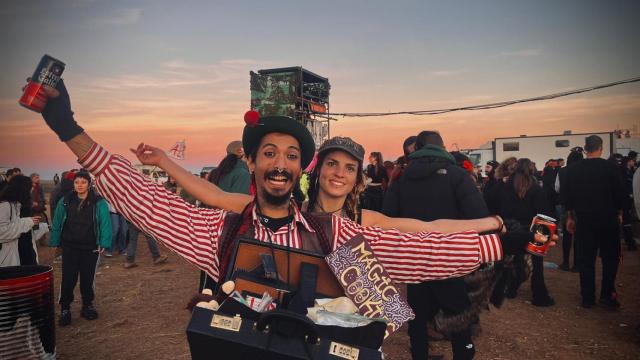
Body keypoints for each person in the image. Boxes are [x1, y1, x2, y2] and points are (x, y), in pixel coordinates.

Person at [34, 79, 548, 335]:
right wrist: (68, 128)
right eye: (270, 154)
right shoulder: (225, 234)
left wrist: (501, 239)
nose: (279, 164)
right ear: (254, 163)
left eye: (291, 156)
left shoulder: (334, 235)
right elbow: (148, 204)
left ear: (301, 168)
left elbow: (416, 250)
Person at [382, 131, 490, 360]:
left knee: (418, 314)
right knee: (458, 313)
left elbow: (388, 218)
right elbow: (479, 216)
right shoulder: (457, 175)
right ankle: (463, 353)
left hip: (414, 259)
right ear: (442, 147)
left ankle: (419, 354)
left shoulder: (401, 178)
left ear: (417, 148)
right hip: (448, 259)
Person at [563, 135, 625, 308]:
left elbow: (567, 197)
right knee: (610, 259)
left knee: (586, 259)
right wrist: (619, 213)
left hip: (584, 220)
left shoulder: (573, 170)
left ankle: (587, 297)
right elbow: (620, 194)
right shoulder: (611, 168)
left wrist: (569, 217)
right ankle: (607, 294)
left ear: (585, 148)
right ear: (601, 148)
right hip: (608, 219)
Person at [50, 171, 112, 326]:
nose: (79, 185)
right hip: (70, 246)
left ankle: (87, 306)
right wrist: (55, 241)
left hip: (90, 247)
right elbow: (57, 222)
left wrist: (104, 243)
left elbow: (105, 223)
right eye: (77, 182)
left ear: (89, 184)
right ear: (73, 184)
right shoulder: (65, 201)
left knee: (87, 279)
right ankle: (65, 309)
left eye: (83, 182)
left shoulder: (99, 202)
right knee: (68, 279)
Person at [491, 158, 555, 307]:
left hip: (511, 229)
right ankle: (539, 296)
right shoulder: (536, 188)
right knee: (537, 265)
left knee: (508, 262)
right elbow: (543, 213)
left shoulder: (506, 186)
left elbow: (499, 207)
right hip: (532, 230)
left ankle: (508, 290)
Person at [198, 140, 251, 290]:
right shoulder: (243, 174)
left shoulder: (216, 173)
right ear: (243, 154)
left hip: (211, 231)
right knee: (225, 280)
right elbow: (238, 209)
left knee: (208, 280)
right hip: (228, 233)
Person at [0, 175, 41, 267]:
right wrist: (27, 222)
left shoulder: (19, 204)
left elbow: (25, 232)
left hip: (24, 251)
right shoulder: (5, 206)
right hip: (10, 257)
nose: (31, 190)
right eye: (30, 187)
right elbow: (2, 232)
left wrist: (42, 227)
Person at [556, 149, 584, 271]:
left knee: (567, 236)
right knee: (579, 236)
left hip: (566, 207)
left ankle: (566, 262)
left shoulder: (562, 171)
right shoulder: (584, 170)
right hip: (580, 207)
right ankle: (577, 264)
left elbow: (557, 188)